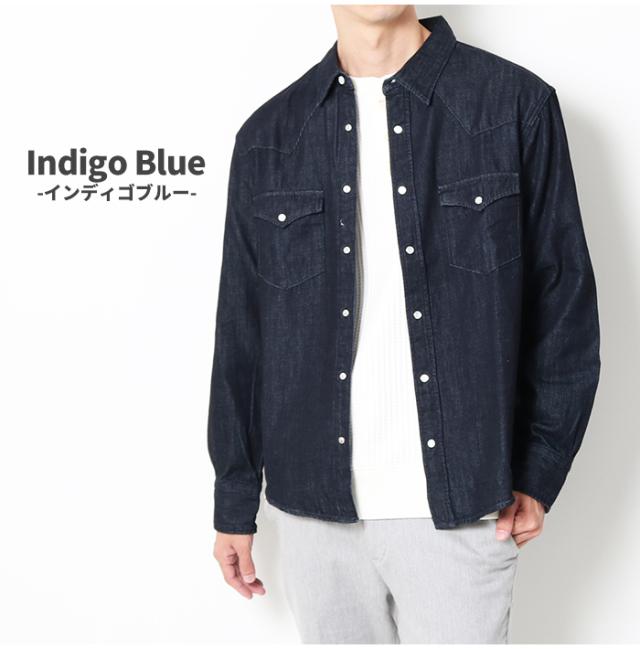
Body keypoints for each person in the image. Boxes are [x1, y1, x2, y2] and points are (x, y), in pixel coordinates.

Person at [207, 5, 600, 643]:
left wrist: (540, 469)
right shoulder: (270, 136)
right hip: (315, 516)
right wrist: (234, 498)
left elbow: (565, 306)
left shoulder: (513, 105)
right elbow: (242, 335)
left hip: (464, 509)